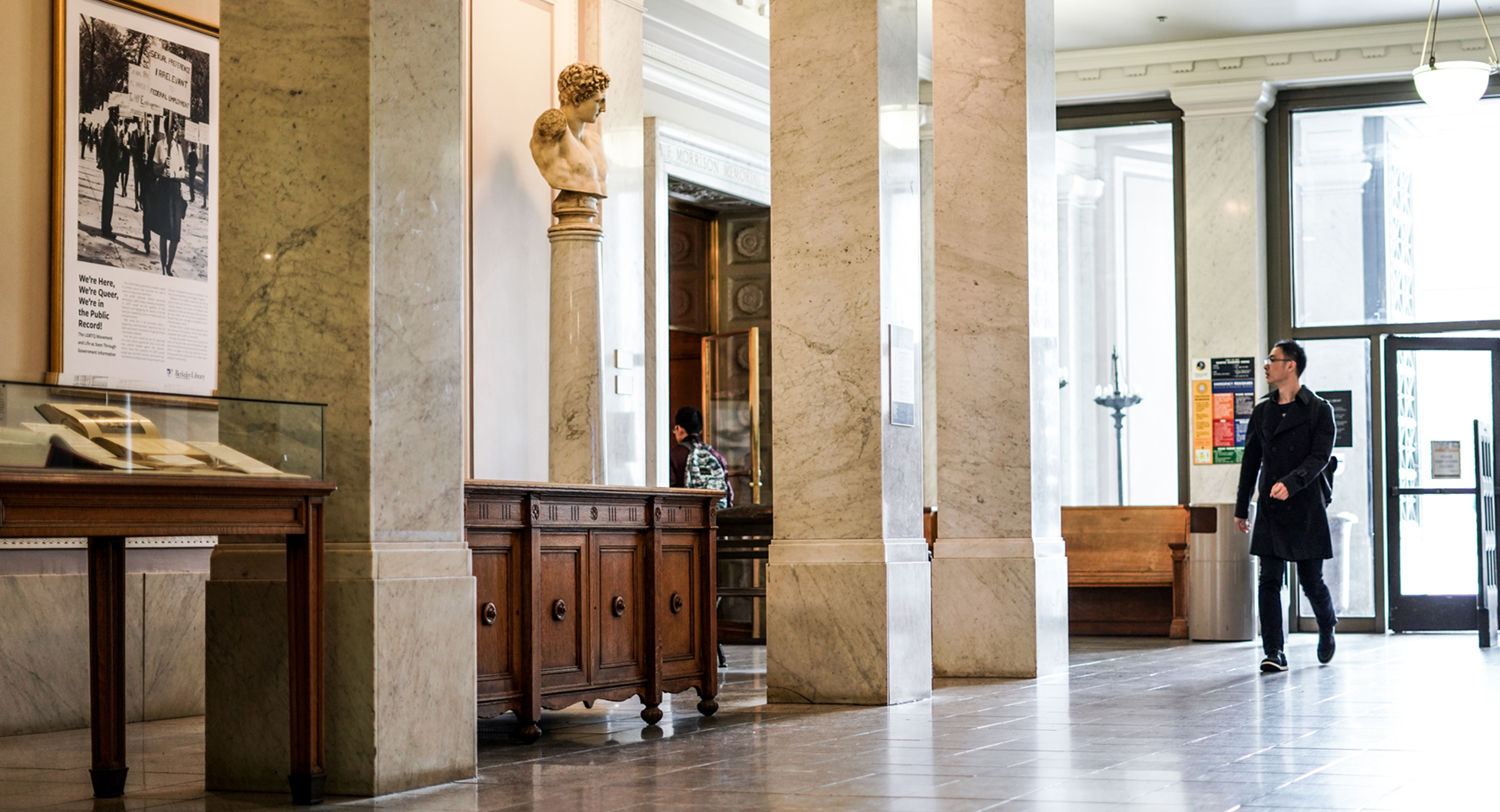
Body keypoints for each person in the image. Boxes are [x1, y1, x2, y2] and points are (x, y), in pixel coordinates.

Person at [1234, 340, 1338, 673]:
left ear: (1290, 365)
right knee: (1269, 580)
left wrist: (1292, 483)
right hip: (1271, 507)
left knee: (1311, 581)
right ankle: (1274, 652)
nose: (1266, 365)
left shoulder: (1319, 409)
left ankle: (1327, 624)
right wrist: (1241, 506)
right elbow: (1251, 460)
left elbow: (1320, 457)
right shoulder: (1263, 411)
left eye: (1272, 360)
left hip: (1305, 504)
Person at [144, 114, 189, 276]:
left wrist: (177, 173)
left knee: (175, 235)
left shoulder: (178, 148)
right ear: (167, 130)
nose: (175, 133)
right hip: (163, 189)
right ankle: (164, 266)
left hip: (175, 189)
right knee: (164, 231)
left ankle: (170, 265)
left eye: (176, 130)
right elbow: (154, 170)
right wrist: (164, 165)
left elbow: (183, 172)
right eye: (172, 129)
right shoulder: (160, 146)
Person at [669, 406, 733, 508]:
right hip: (716, 517)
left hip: (688, 516)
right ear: (700, 431)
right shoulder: (716, 456)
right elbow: (728, 494)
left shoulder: (673, 455)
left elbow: (669, 492)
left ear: (679, 428)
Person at [97, 107, 123, 240]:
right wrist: (107, 166)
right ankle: (106, 228)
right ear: (113, 115)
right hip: (110, 168)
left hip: (110, 168)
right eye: (117, 115)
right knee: (108, 198)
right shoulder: (109, 128)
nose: (118, 117)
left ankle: (107, 225)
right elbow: (106, 149)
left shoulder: (111, 127)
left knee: (109, 197)